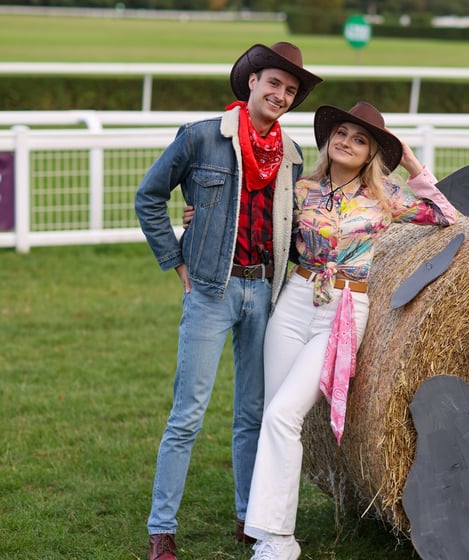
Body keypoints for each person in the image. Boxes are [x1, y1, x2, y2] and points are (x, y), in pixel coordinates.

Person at [242, 101, 458, 560]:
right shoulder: (302, 188)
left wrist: (412, 162)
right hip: (295, 300)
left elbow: (446, 216)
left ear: (371, 154)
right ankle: (271, 534)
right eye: (341, 133)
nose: (347, 142)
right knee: (275, 417)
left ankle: (279, 540)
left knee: (284, 414)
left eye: (360, 140)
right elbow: (258, 221)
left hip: (342, 308)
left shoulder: (386, 197)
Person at [134, 41, 322, 560]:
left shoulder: (291, 156)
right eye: (274, 83)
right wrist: (176, 259)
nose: (280, 95)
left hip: (265, 292)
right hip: (211, 290)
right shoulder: (201, 137)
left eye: (290, 90)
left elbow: (294, 226)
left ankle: (249, 518)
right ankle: (161, 529)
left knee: (253, 414)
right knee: (187, 414)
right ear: (252, 82)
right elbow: (149, 196)